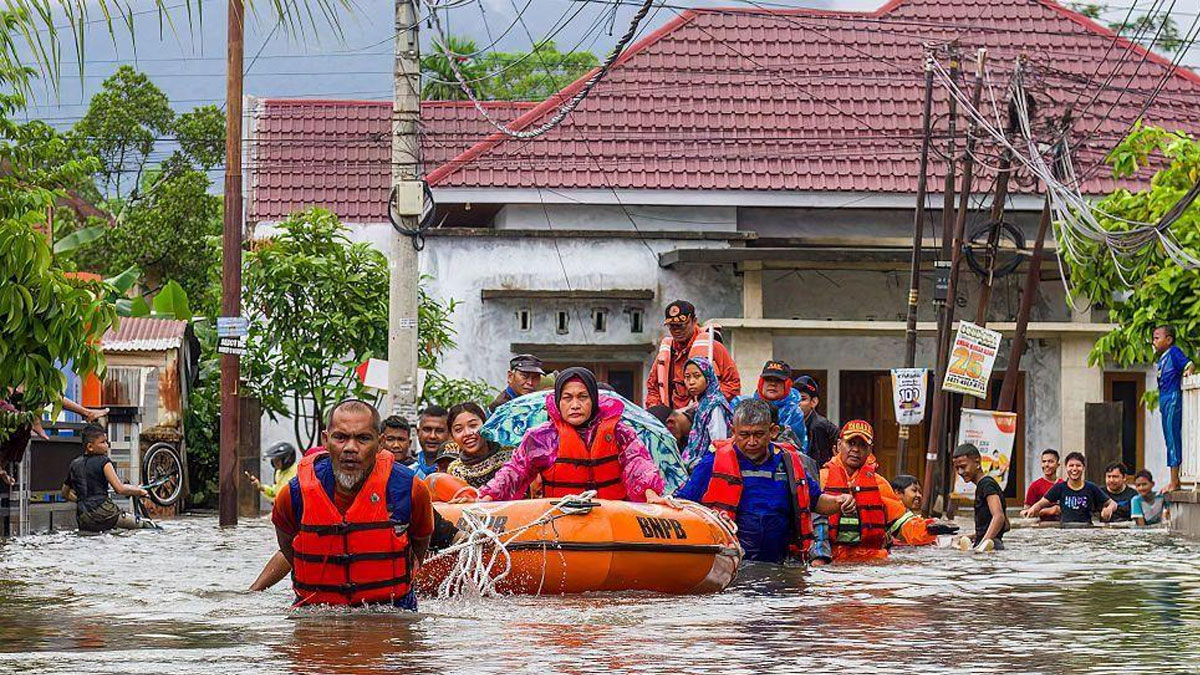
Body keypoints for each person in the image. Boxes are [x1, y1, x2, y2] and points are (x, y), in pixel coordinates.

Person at [270, 399, 433, 608]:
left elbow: (421, 540)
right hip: (316, 612)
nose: (350, 448)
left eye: (363, 439)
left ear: (380, 443)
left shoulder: (411, 490)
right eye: (340, 437)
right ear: (325, 440)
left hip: (391, 609)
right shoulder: (293, 494)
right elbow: (287, 545)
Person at [675, 399, 851, 564]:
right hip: (731, 564)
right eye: (744, 435)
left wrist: (839, 501)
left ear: (773, 432)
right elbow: (683, 504)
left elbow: (817, 502)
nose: (752, 442)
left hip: (781, 564)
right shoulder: (712, 463)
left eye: (759, 434)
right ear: (733, 431)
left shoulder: (789, 463)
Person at [473, 367, 667, 503]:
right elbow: (514, 471)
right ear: (558, 402)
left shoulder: (619, 432)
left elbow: (638, 464)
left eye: (582, 397)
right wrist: (487, 496)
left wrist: (651, 495)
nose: (575, 405)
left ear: (593, 400)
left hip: (613, 517)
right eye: (567, 398)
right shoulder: (541, 437)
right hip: (562, 519)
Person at [820, 420, 938, 561]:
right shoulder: (821, 479)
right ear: (839, 445)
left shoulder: (879, 484)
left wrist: (930, 529)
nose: (856, 450)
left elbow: (903, 525)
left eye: (862, 445)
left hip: (872, 563)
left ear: (870, 450)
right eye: (851, 443)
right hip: (830, 560)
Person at [645, 300, 740, 410]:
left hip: (705, 417)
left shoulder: (712, 347)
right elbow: (653, 389)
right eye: (672, 326)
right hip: (673, 420)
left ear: (694, 321)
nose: (677, 331)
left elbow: (733, 384)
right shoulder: (666, 352)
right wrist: (657, 411)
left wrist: (706, 403)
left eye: (681, 326)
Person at [61, 424, 154, 532]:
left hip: (83, 517)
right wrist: (140, 491)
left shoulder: (74, 464)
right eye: (103, 442)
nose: (106, 445)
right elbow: (120, 489)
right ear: (90, 447)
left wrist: (82, 501)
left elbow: (64, 494)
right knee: (146, 526)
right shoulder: (103, 461)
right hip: (105, 513)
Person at [1021, 452, 1118, 525]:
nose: (1074, 469)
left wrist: (1109, 509)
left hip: (1086, 529)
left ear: (1083, 468)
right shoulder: (1060, 487)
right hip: (1065, 529)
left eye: (1078, 466)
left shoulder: (1091, 487)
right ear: (1066, 468)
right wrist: (1032, 510)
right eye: (1071, 466)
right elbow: (1040, 504)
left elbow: (1113, 503)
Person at [734, 360, 809, 454]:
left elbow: (797, 448)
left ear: (787, 385)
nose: (772, 384)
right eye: (768, 379)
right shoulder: (740, 405)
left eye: (778, 380)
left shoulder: (794, 413)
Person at [1153, 325, 1194, 492]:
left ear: (1168, 339)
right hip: (1164, 398)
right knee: (1168, 438)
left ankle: (1174, 480)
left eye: (1157, 337)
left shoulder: (1174, 352)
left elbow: (1189, 364)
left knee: (1172, 437)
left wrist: (1188, 372)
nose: (1153, 341)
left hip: (1172, 398)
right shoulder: (1161, 358)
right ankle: (1172, 478)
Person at [951, 443, 1009, 551]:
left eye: (963, 467)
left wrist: (980, 548)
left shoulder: (986, 484)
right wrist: (972, 537)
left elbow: (999, 517)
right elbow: (1006, 526)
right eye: (957, 468)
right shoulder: (987, 484)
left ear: (977, 463)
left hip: (991, 547)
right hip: (994, 545)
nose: (960, 472)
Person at [444, 402, 515, 489]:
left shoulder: (511, 455)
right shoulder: (455, 470)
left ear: (485, 425)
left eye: (473, 425)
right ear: (452, 436)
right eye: (458, 430)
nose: (467, 433)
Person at [681, 357, 733, 466]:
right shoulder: (703, 403)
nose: (691, 382)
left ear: (708, 377)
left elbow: (719, 443)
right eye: (687, 377)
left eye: (697, 376)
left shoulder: (715, 405)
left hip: (709, 466)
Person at [795, 375, 838, 467]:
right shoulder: (788, 422)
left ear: (813, 402)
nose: (797, 403)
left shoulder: (822, 426)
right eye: (794, 398)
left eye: (803, 399)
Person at [1024, 449, 1062, 522]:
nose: (1046, 465)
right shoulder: (1035, 485)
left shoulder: (1063, 484)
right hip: (1040, 527)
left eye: (1050, 461)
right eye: (1044, 461)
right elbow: (1026, 510)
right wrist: (1047, 511)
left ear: (1058, 465)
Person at [413, 405, 450, 478]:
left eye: (439, 431)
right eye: (427, 429)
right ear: (418, 432)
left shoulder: (457, 472)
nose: (432, 436)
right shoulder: (409, 473)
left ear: (449, 434)